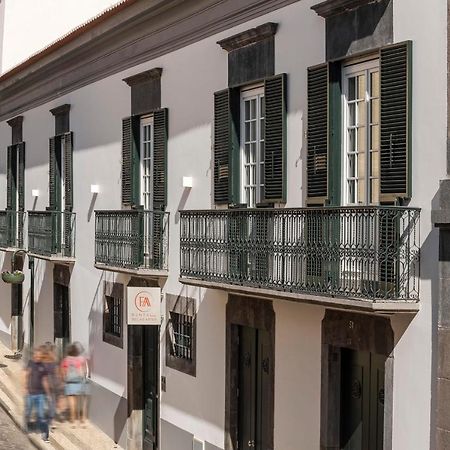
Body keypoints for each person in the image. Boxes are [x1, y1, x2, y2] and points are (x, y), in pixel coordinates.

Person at [24, 346, 50, 443]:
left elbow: (45, 380)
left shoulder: (43, 366)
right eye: (37, 355)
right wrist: (25, 387)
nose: (38, 357)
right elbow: (27, 375)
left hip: (41, 395)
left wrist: (48, 393)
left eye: (40, 356)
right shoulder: (31, 363)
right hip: (30, 394)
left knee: (41, 415)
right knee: (28, 413)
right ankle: (27, 428)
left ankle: (45, 436)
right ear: (35, 355)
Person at [61, 343, 87, 426]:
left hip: (70, 381)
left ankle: (72, 418)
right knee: (83, 400)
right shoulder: (82, 359)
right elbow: (85, 371)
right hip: (80, 381)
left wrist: (64, 379)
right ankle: (82, 418)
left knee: (72, 400)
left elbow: (63, 371)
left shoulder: (66, 360)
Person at [42, 343, 59, 429]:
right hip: (46, 385)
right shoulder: (44, 363)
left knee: (52, 402)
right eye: (52, 351)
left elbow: (56, 373)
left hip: (52, 384)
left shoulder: (53, 361)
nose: (54, 353)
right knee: (49, 402)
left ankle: (50, 420)